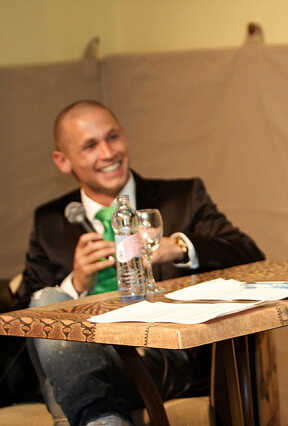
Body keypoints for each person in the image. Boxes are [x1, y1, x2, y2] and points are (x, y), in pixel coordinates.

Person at [15, 100, 265, 426]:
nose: (108, 153)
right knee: (48, 301)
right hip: (87, 354)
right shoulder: (49, 222)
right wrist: (74, 285)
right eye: (90, 146)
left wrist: (178, 247)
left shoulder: (182, 197)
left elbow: (249, 253)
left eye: (113, 137)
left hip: (164, 358)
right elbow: (23, 317)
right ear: (63, 161)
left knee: (68, 381)